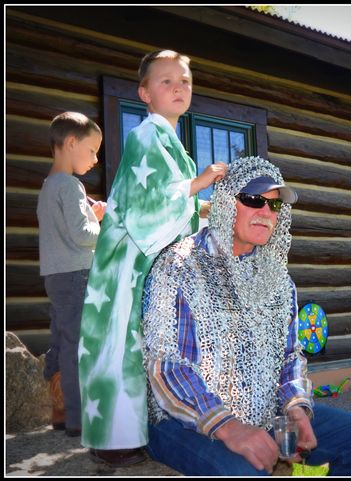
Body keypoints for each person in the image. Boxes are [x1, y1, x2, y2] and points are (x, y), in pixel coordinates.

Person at [142, 156, 351, 476]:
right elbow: (167, 367)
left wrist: (297, 408)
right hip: (180, 422)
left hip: (262, 412)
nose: (265, 212)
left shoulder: (277, 280)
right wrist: (229, 427)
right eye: (252, 199)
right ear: (225, 200)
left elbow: (289, 357)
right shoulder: (179, 265)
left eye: (273, 205)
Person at [79, 49, 227, 466]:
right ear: (144, 93)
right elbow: (151, 204)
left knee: (143, 342)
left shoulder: (171, 142)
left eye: (185, 81)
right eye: (166, 81)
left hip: (146, 264)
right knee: (119, 342)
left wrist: (214, 209)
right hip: (126, 265)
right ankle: (114, 441)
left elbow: (176, 208)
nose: (179, 87)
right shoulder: (145, 135)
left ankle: (141, 430)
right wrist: (201, 184)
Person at [37, 111, 106, 437]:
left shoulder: (49, 185)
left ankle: (60, 408)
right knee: (77, 343)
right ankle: (78, 418)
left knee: (60, 339)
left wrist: (90, 215)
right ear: (71, 142)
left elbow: (65, 231)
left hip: (54, 275)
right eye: (92, 150)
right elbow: (82, 236)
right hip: (76, 274)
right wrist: (102, 225)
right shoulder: (71, 185)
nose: (95, 158)